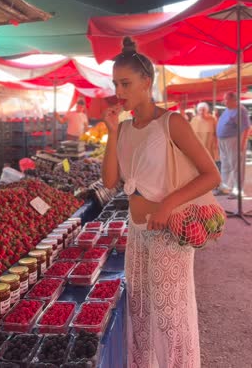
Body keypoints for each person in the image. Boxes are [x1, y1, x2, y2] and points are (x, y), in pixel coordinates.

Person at [102, 36, 220, 368]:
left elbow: (211, 175)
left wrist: (168, 205)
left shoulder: (172, 123)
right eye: (115, 84)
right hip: (137, 235)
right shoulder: (123, 128)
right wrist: (111, 131)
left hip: (169, 235)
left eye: (125, 83)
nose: (119, 91)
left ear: (147, 83)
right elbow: (111, 182)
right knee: (139, 316)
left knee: (170, 321)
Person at [216, 91, 250, 198]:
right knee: (225, 164)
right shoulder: (228, 109)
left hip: (234, 140)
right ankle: (224, 187)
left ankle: (238, 190)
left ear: (233, 100)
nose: (224, 101)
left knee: (236, 166)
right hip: (224, 140)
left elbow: (247, 128)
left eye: (226, 99)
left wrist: (243, 143)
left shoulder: (241, 110)